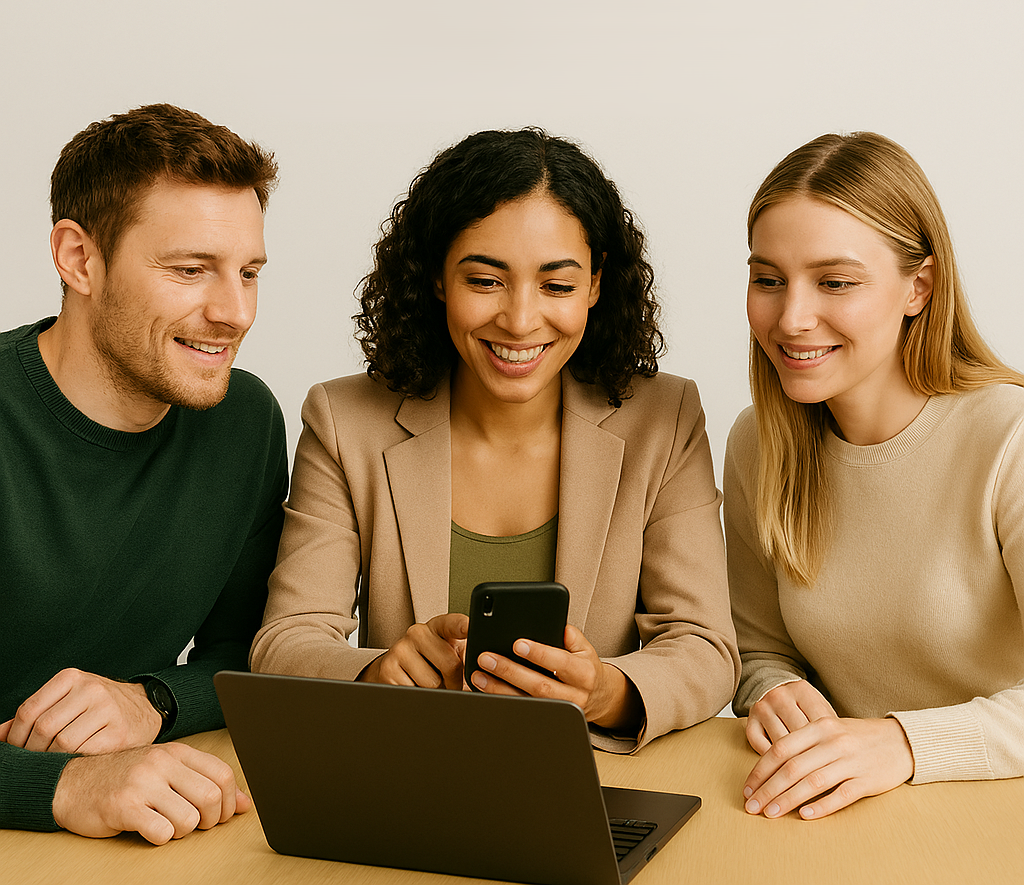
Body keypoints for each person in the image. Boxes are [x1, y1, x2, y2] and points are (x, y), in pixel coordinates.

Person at [251, 128, 738, 752]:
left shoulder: (664, 418)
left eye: (557, 286)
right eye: (485, 281)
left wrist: (605, 693)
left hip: (594, 777)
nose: (520, 320)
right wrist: (375, 675)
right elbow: (285, 641)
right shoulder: (345, 421)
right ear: (436, 276)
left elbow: (705, 645)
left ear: (595, 284)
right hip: (408, 769)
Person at [0, 103, 288, 843]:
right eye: (191, 270)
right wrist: (61, 786)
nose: (235, 312)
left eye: (249, 273)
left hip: (133, 843)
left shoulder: (244, 421)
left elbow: (250, 657)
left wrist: (150, 701)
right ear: (78, 259)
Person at [725, 131, 1024, 821]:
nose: (792, 318)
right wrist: (771, 691)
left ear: (919, 287)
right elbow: (759, 647)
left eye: (835, 282)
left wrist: (903, 743)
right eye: (768, 279)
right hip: (839, 815)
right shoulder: (758, 444)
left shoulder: (1007, 439)